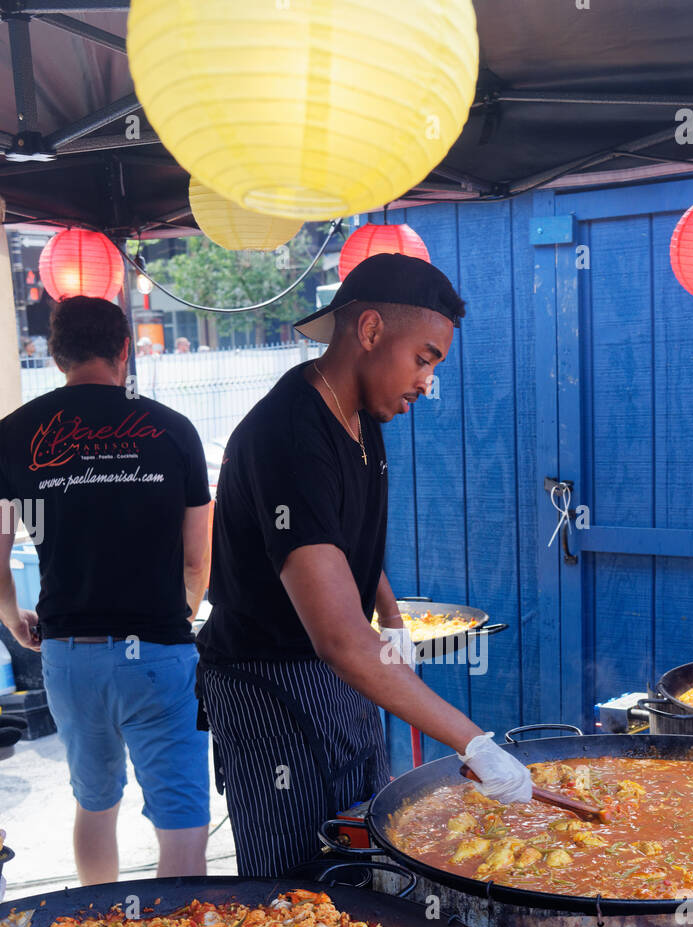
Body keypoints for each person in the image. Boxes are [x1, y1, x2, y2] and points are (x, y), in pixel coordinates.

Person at [196, 252, 531, 876]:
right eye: (424, 358)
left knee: (369, 840)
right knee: (294, 882)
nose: (427, 382)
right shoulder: (289, 436)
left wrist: (392, 617)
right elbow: (340, 640)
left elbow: (345, 544)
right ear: (371, 331)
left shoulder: (359, 417)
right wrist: (474, 742)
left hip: (337, 677)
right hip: (270, 684)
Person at [0, 295, 212, 885]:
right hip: (162, 653)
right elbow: (198, 560)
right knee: (182, 819)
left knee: (94, 801)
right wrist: (179, 619)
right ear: (125, 350)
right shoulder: (174, 430)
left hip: (69, 653)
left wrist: (13, 616)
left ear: (55, 353)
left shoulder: (13, 435)